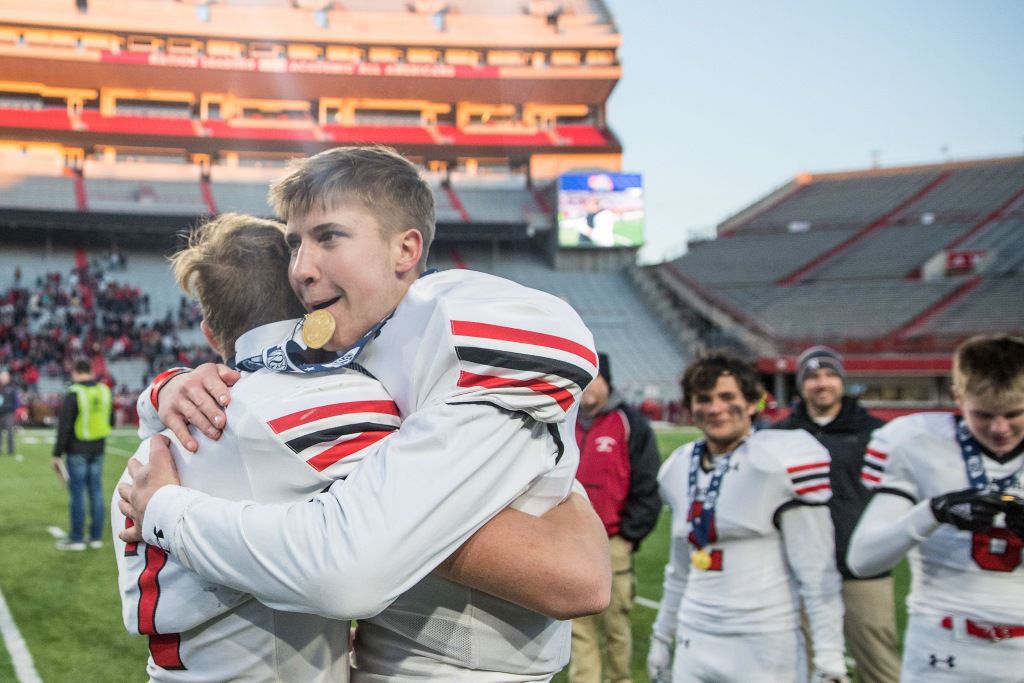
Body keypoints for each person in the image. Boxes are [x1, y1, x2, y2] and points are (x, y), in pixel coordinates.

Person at [118, 145, 607, 681]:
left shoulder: (461, 331)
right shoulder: (367, 338)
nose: (300, 270)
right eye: (294, 243)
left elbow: (577, 579)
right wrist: (169, 386)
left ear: (406, 248)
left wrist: (164, 508)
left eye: (328, 237)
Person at [647, 352, 847, 683]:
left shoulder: (779, 460)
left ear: (752, 402)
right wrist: (661, 636)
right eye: (704, 398)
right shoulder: (677, 468)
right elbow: (679, 568)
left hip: (765, 643)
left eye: (727, 397)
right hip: (694, 638)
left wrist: (829, 657)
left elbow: (817, 573)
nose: (715, 408)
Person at [847, 334, 1024, 682]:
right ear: (957, 397)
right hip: (941, 648)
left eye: (1014, 413)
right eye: (983, 415)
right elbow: (862, 560)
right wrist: (933, 511)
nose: (999, 428)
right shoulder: (918, 442)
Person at [774, 346, 900, 683]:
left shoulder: (876, 432)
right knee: (810, 664)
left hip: (862, 567)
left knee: (879, 663)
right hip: (802, 572)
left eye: (830, 375)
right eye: (813, 376)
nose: (822, 383)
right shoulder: (779, 435)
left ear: (842, 381)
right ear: (801, 384)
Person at [571, 352, 662, 683]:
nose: (587, 387)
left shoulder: (630, 423)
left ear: (608, 383)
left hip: (612, 541)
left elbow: (648, 484)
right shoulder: (561, 422)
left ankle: (619, 678)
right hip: (571, 542)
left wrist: (628, 534)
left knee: (616, 626)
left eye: (595, 378)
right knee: (577, 628)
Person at [53, 356, 114, 551]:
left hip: (77, 449)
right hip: (99, 448)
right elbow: (110, 420)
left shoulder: (74, 393)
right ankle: (95, 537)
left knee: (78, 493)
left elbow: (64, 427)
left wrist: (57, 453)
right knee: (96, 491)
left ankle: (77, 538)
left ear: (75, 371)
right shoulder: (104, 390)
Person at [0, 369, 17, 456]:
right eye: (2, 376)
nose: (3, 378)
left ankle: (11, 450)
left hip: (8, 413)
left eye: (5, 376)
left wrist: (13, 411)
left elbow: (15, 401)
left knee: (10, 432)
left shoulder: (11, 388)